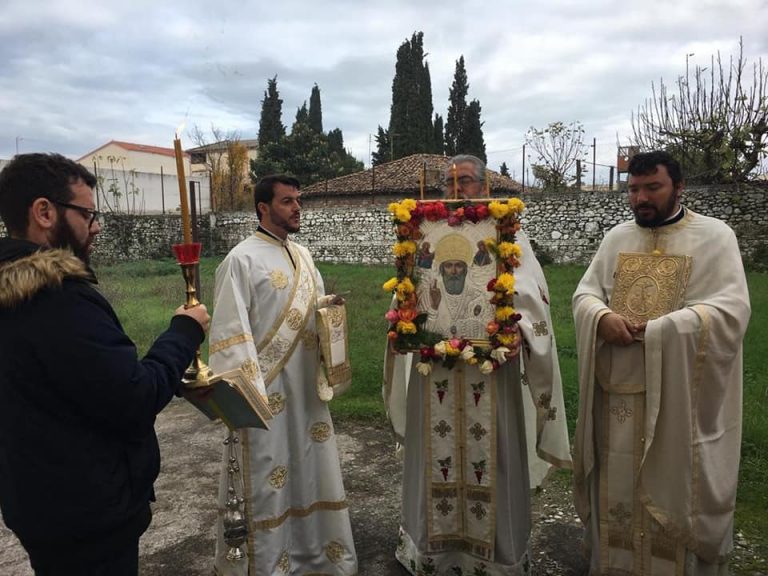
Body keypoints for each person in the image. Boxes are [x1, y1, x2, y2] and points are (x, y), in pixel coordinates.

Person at [0, 153, 210, 575]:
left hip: (39, 502)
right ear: (44, 212)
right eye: (87, 213)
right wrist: (183, 333)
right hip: (87, 515)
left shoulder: (13, 292)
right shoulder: (56, 298)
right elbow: (133, 396)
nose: (95, 226)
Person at [384, 155, 571, 575]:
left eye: (464, 181)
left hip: (491, 371)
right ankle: (431, 553)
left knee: (495, 459)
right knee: (432, 457)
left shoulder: (507, 237)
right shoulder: (421, 237)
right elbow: (407, 295)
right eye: (447, 184)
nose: (455, 191)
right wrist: (403, 327)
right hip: (434, 372)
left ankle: (499, 558)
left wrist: (512, 329)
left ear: (485, 185)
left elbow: (531, 298)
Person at [572, 151, 751, 574]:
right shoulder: (616, 238)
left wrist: (663, 330)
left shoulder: (715, 236)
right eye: (634, 189)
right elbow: (584, 294)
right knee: (616, 493)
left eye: (653, 187)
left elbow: (731, 310)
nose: (640, 199)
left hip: (678, 400)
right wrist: (601, 317)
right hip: (616, 393)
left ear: (679, 187)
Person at [208, 174, 357, 575]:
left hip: (307, 390)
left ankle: (317, 556)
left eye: (298, 201)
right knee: (268, 476)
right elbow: (229, 333)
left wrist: (331, 314)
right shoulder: (240, 260)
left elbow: (314, 310)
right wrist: (247, 400)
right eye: (288, 201)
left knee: (311, 469)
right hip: (266, 396)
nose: (297, 208)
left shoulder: (303, 255)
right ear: (263, 208)